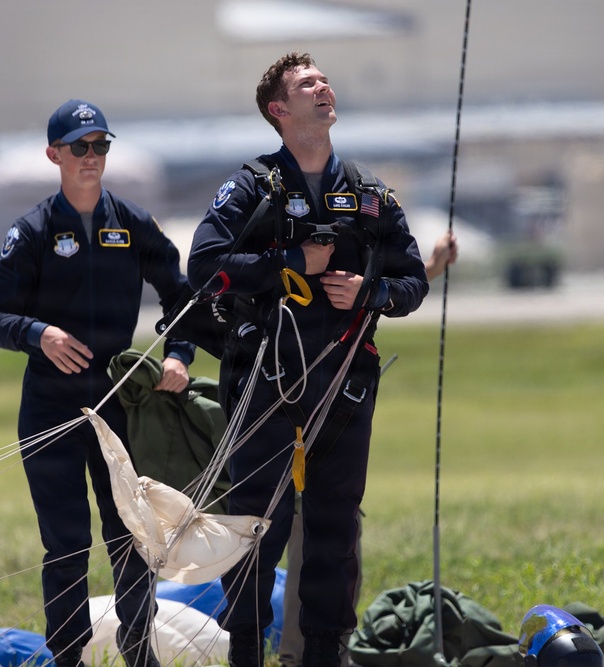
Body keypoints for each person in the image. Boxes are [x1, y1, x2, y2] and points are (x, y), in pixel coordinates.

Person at [187, 52, 430, 667]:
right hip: (263, 381)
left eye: (323, 80)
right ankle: (246, 651)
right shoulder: (251, 188)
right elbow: (206, 266)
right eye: (306, 84)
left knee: (334, 526)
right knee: (252, 525)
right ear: (279, 110)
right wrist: (292, 264)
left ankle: (325, 652)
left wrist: (372, 294)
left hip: (343, 386)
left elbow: (413, 280)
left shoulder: (370, 195)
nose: (323, 88)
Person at [0, 99, 195, 667]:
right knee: (67, 543)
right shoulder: (29, 232)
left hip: (118, 404)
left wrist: (179, 354)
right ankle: (68, 655)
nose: (92, 157)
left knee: (131, 534)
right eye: (80, 147)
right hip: (50, 407)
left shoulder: (133, 223)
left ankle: (138, 648)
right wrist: (38, 333)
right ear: (54, 154)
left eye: (101, 145)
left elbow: (182, 298)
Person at [279, 231, 458, 667]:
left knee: (338, 531)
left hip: (343, 405)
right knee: (309, 532)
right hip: (291, 401)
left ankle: (322, 651)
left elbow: (376, 288)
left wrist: (428, 268)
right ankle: (298, 655)